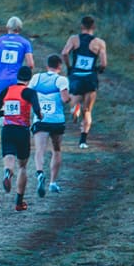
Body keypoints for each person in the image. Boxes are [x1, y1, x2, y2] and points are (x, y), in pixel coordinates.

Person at [0, 66, 43, 211]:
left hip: (7, 130)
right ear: (29, 79)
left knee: (9, 156)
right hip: (22, 131)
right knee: (22, 166)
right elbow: (38, 110)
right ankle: (19, 202)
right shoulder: (30, 92)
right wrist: (40, 116)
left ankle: (7, 171)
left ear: (17, 77)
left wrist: (7, 113)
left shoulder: (7, 90)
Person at [61, 15, 108, 149]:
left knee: (73, 104)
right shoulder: (99, 43)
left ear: (81, 26)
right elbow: (104, 63)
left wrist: (69, 67)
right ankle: (83, 141)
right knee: (87, 111)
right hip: (90, 78)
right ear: (93, 27)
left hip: (76, 76)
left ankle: (75, 110)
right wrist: (100, 69)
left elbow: (64, 53)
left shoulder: (74, 39)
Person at [30, 55, 71, 196]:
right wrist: (70, 98)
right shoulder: (61, 80)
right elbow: (65, 99)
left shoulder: (36, 78)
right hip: (57, 121)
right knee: (56, 150)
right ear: (60, 66)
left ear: (47, 65)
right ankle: (53, 182)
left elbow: (27, 94)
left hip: (41, 120)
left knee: (39, 150)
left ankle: (40, 173)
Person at [0, 16, 36, 98]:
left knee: (0, 107)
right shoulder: (25, 43)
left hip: (1, 79)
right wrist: (26, 78)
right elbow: (31, 64)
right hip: (17, 81)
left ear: (7, 27)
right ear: (20, 28)